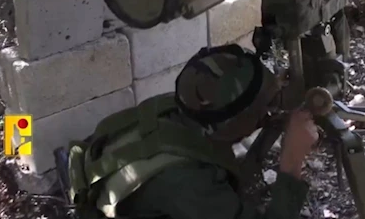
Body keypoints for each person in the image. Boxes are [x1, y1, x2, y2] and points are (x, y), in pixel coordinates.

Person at [66, 44, 319, 219]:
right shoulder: (189, 183)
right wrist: (292, 163)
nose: (267, 114)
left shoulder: (184, 105)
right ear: (231, 126)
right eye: (262, 110)